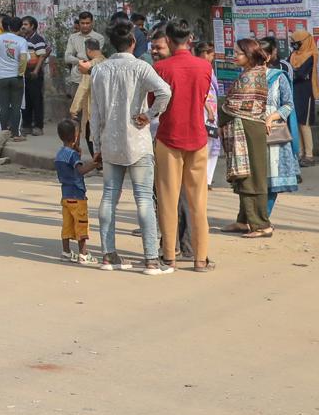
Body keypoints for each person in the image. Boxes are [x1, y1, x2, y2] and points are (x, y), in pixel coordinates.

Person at [88, 19, 173, 274]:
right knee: (144, 199)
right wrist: (150, 114)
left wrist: (95, 144)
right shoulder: (140, 67)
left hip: (110, 141)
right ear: (133, 42)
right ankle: (150, 259)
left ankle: (107, 254)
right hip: (137, 141)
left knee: (109, 197)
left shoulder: (99, 70)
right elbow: (165, 92)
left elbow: (95, 110)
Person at [152, 19, 215, 271]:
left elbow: (155, 104)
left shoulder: (160, 68)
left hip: (168, 137)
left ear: (168, 39)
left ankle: (169, 255)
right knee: (198, 201)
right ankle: (200, 258)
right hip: (198, 138)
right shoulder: (204, 66)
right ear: (190, 39)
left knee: (168, 199)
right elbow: (203, 97)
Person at [220, 38, 277, 237]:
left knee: (251, 177)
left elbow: (233, 105)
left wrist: (219, 113)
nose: (235, 56)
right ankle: (243, 221)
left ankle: (261, 224)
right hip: (247, 126)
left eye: (239, 53)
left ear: (250, 55)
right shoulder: (253, 73)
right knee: (244, 173)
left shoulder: (250, 77)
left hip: (248, 128)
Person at [263, 41, 301, 216]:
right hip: (250, 131)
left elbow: (288, 104)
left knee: (273, 178)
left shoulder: (279, 77)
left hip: (273, 133)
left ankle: (263, 216)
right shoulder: (245, 77)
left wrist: (272, 117)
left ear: (268, 56)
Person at [55, 118, 99, 264]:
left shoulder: (60, 153)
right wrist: (95, 164)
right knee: (81, 225)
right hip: (77, 195)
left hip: (65, 195)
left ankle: (66, 252)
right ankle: (83, 254)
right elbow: (80, 170)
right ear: (75, 136)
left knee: (67, 225)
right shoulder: (72, 155)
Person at [0, 17, 31, 141]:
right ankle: (16, 134)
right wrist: (20, 73)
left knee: (3, 106)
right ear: (20, 27)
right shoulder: (22, 41)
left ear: (8, 26)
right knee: (17, 107)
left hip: (2, 78)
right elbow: (23, 59)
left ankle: (2, 133)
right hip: (16, 78)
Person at [289, 26, 319, 164]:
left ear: (304, 41)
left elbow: (301, 74)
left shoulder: (311, 55)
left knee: (304, 123)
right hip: (294, 90)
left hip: (306, 91)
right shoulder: (294, 55)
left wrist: (294, 72)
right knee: (296, 122)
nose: (294, 44)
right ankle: (299, 152)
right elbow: (290, 71)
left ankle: (309, 155)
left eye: (296, 41)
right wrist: (294, 72)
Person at [21, 16, 50, 136]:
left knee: (36, 100)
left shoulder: (37, 39)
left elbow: (42, 56)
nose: (23, 26)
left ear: (32, 26)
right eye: (23, 24)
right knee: (26, 100)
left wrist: (36, 71)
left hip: (34, 73)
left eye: (26, 24)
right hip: (26, 72)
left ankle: (38, 126)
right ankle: (27, 125)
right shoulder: (24, 39)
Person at [62, 11, 95, 106]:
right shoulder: (72, 39)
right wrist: (79, 60)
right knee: (76, 106)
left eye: (87, 23)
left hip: (90, 77)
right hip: (76, 76)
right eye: (82, 24)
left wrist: (78, 58)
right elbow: (68, 57)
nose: (84, 26)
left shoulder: (95, 38)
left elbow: (93, 57)